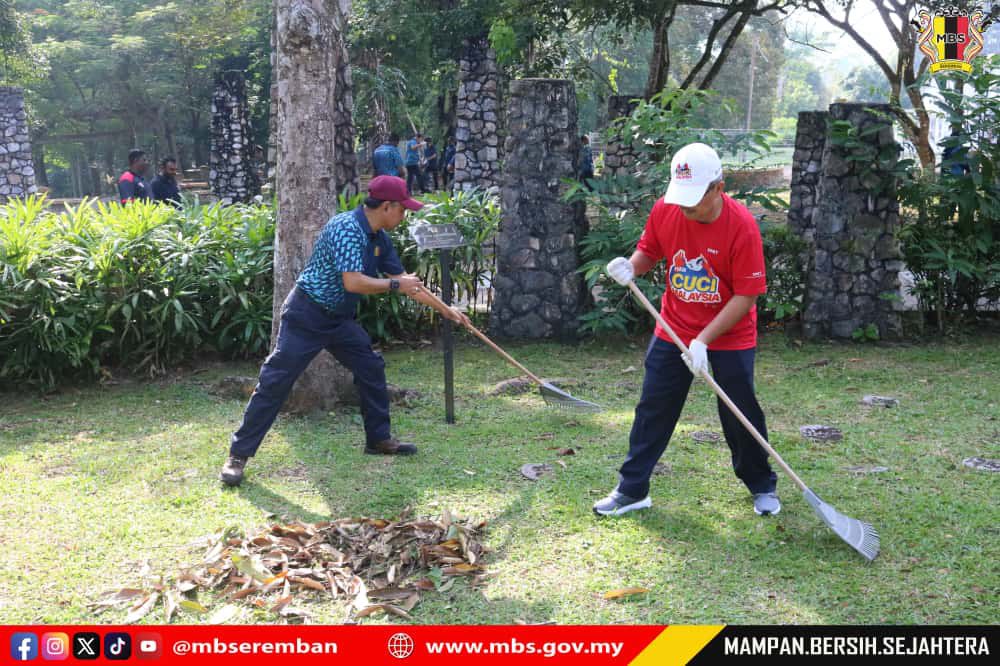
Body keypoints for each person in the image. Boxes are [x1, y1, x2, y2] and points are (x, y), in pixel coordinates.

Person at [219, 175, 471, 486]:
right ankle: (238, 455)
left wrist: (449, 312)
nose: (405, 216)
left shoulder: (380, 238)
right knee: (276, 380)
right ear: (387, 206)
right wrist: (395, 284)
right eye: (402, 210)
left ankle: (378, 440)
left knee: (370, 366)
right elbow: (354, 282)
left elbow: (409, 284)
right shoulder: (346, 229)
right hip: (307, 314)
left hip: (338, 319)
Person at [594, 142, 779, 518]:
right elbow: (650, 250)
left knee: (739, 411)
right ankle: (632, 490)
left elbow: (746, 296)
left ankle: (761, 485)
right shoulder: (668, 208)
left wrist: (704, 341)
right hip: (673, 327)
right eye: (682, 199)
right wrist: (631, 267)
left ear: (718, 188)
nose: (686, 208)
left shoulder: (741, 226)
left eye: (695, 199)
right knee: (654, 407)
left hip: (729, 336)